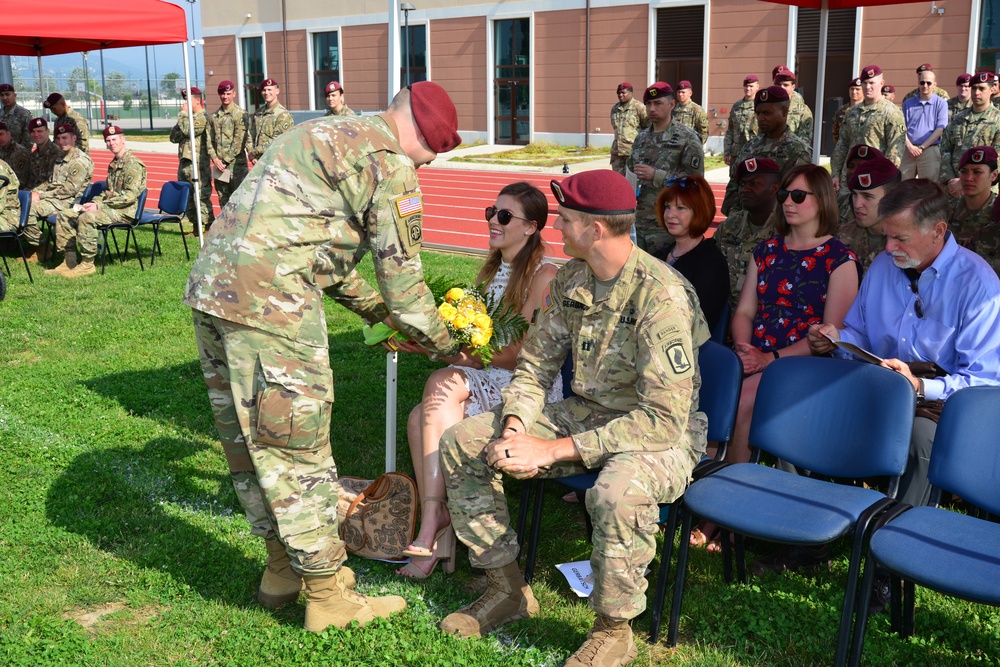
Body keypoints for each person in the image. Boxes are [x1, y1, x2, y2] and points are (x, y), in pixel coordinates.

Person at [184, 81, 463, 633]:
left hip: (214, 295)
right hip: (273, 311)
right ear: (428, 143)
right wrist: (450, 348)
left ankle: (282, 567)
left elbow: (322, 257)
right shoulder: (391, 163)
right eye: (430, 160)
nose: (424, 170)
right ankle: (329, 595)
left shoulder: (318, 131)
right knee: (298, 454)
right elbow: (407, 290)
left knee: (249, 443)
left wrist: (374, 313)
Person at [437, 169, 709, 667]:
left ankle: (614, 628)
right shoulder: (574, 278)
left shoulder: (662, 296)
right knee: (463, 441)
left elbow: (663, 419)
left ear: (596, 229)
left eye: (566, 218)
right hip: (584, 413)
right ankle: (506, 588)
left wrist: (551, 450)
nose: (557, 225)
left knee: (615, 493)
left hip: (658, 436)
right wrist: (516, 427)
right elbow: (536, 365)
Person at [394, 182, 560, 580]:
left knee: (440, 381)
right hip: (491, 375)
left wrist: (444, 351)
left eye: (505, 216)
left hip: (529, 386)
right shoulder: (493, 269)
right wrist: (437, 341)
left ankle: (433, 519)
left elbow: (521, 354)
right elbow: (482, 347)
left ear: (531, 227)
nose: (493, 221)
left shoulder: (545, 274)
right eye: (491, 211)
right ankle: (442, 534)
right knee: (421, 418)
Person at [692, 165, 861, 553]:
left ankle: (724, 514)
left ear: (823, 202)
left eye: (798, 196)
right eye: (785, 194)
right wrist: (743, 350)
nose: (787, 202)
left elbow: (830, 334)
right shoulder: (766, 250)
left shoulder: (840, 259)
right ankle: (707, 496)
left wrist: (769, 358)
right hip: (756, 355)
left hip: (807, 364)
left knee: (740, 403)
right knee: (717, 393)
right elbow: (744, 312)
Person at [809, 178, 1000, 510]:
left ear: (938, 231)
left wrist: (921, 386)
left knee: (918, 439)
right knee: (815, 407)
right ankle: (810, 521)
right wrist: (837, 339)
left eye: (900, 238)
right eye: (886, 236)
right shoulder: (885, 266)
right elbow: (861, 334)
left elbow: (985, 381)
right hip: (882, 383)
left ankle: (897, 538)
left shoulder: (977, 285)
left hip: (941, 402)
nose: (888, 248)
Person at [44, 126, 146, 278]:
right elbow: (108, 192)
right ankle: (69, 261)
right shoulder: (114, 164)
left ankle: (87, 264)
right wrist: (93, 202)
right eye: (108, 141)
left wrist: (99, 206)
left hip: (125, 211)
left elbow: (129, 196)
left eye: (114, 139)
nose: (111, 143)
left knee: (87, 218)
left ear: (123, 139)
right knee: (65, 214)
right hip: (111, 207)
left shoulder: (133, 164)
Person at [627, 82, 705, 257]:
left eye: (658, 103)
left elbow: (696, 182)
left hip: (668, 224)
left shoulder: (687, 138)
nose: (652, 108)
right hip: (639, 223)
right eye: (648, 104)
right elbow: (631, 173)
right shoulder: (641, 138)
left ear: (671, 105)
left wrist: (657, 176)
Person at [652, 175, 729, 331]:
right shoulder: (659, 255)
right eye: (667, 206)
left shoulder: (712, 264)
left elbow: (695, 322)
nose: (670, 214)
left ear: (699, 212)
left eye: (680, 208)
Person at [721, 85, 812, 215]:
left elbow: (794, 197)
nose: (760, 118)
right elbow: (734, 184)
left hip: (776, 225)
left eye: (767, 113)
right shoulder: (750, 146)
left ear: (784, 112)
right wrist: (734, 216)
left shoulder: (797, 151)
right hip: (743, 223)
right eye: (758, 113)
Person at [714, 157, 782, 308]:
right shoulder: (728, 228)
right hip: (728, 316)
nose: (745, 189)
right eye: (742, 184)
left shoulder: (787, 230)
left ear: (775, 188)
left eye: (754, 183)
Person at [831, 65, 906, 191]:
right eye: (865, 83)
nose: (867, 87)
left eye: (872, 83)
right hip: (848, 179)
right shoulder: (852, 112)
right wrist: (835, 173)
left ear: (881, 83)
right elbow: (842, 144)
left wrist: (884, 179)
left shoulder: (892, 113)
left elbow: (895, 151)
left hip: (874, 180)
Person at [29, 123, 93, 262]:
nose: (61, 142)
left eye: (65, 138)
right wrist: (33, 193)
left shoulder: (79, 160)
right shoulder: (60, 158)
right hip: (55, 200)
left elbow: (70, 190)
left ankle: (43, 247)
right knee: (23, 203)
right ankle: (39, 247)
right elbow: (52, 183)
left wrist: (41, 195)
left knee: (28, 210)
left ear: (74, 138)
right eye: (58, 138)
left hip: (68, 202)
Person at [940, 72, 1000, 198]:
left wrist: (965, 182)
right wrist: (951, 180)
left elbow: (997, 160)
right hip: (953, 190)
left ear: (991, 90)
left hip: (983, 191)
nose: (976, 92)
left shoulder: (997, 120)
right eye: (974, 88)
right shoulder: (958, 118)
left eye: (982, 88)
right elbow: (945, 149)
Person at [839, 156, 900, 270]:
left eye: (867, 197)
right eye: (854, 195)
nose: (857, 205)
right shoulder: (845, 233)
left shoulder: (905, 243)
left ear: (891, 198)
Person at [170, 86, 214, 232]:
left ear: (197, 101)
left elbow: (189, 131)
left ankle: (208, 226)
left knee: (201, 196)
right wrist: (184, 119)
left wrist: (183, 115)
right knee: (188, 196)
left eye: (188, 100)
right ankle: (196, 226)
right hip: (185, 162)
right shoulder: (186, 118)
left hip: (198, 163)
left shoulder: (203, 117)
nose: (184, 104)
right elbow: (174, 137)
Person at [949, 146, 1000, 272]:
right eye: (964, 171)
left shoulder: (997, 214)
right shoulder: (946, 211)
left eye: (977, 172)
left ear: (993, 175)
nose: (968, 178)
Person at [206, 80, 249, 210]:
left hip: (237, 167)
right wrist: (215, 159)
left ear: (234, 94)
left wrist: (225, 161)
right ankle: (226, 229)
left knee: (241, 201)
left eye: (228, 93)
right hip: (220, 167)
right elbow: (209, 140)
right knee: (223, 200)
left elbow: (239, 141)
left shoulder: (241, 115)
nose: (225, 96)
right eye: (223, 94)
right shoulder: (213, 117)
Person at [900, 68, 948, 181]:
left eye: (929, 83)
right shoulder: (908, 103)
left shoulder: (941, 103)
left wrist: (922, 147)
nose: (925, 85)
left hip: (929, 150)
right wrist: (911, 147)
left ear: (934, 84)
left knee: (929, 187)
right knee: (903, 186)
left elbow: (940, 129)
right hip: (908, 151)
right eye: (922, 82)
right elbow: (901, 128)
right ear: (918, 83)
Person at [248, 78, 294, 168]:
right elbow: (250, 135)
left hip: (275, 163)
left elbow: (278, 140)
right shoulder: (258, 113)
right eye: (264, 90)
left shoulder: (283, 115)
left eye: (269, 89)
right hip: (258, 162)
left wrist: (255, 151)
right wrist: (251, 153)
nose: (266, 92)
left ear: (277, 91)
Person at [837, 144, 885, 222]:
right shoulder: (839, 202)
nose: (853, 171)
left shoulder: (887, 208)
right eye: (851, 166)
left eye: (861, 167)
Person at [609, 82, 648, 175]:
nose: (620, 95)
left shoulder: (639, 107)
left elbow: (647, 126)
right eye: (618, 93)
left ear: (631, 93)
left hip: (632, 151)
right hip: (617, 153)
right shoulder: (615, 109)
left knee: (632, 180)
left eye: (623, 92)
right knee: (617, 180)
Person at [772, 65, 813, 144]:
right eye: (779, 85)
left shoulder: (803, 111)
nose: (782, 88)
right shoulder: (769, 108)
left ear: (793, 87)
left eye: (786, 85)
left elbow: (804, 141)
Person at [724, 75, 759, 166]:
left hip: (754, 151)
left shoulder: (760, 105)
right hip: (736, 153)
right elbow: (730, 130)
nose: (748, 88)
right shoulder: (736, 106)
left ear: (757, 87)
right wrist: (727, 152)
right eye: (746, 86)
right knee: (734, 179)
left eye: (751, 86)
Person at [27, 117, 61, 192]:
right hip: (34, 193)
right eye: (33, 131)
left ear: (48, 131)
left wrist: (31, 192)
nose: (36, 134)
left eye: (40, 131)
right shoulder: (33, 155)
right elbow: (31, 180)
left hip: (49, 195)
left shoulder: (57, 153)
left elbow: (53, 182)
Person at [831, 77, 863, 147]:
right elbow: (835, 131)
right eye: (852, 89)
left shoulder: (866, 110)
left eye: (857, 89)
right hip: (844, 150)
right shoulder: (841, 110)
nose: (854, 92)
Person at [0, 83, 32, 150]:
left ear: (14, 95)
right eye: (1, 95)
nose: (4, 98)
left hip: (18, 156)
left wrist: (21, 155)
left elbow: (28, 140)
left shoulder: (24, 114)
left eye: (7, 94)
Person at [0, 121, 30, 188]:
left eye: (1, 134)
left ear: (8, 134)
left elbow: (20, 181)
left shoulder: (20, 152)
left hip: (15, 190)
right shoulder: (2, 149)